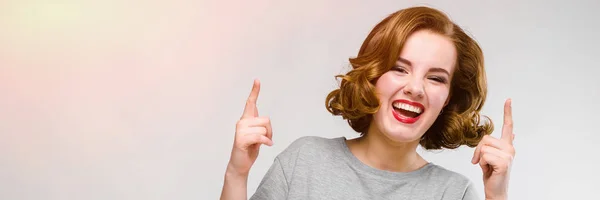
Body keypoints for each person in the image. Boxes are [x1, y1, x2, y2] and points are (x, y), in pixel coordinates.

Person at [220, 6, 516, 200]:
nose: (415, 88)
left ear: (447, 98)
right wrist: (237, 172)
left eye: (436, 78)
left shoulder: (453, 193)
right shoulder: (303, 161)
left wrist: (498, 196)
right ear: (373, 76)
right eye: (399, 69)